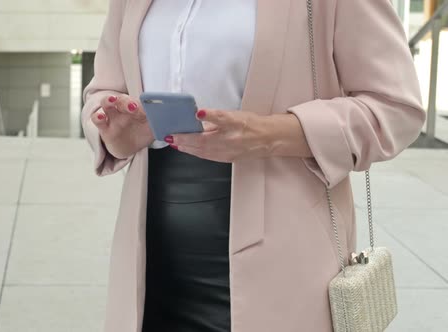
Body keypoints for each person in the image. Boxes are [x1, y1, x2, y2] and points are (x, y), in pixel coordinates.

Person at [81, 0, 426, 331]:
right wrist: (115, 132)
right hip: (151, 259)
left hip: (283, 259)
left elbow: (395, 109)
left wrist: (267, 133)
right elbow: (104, 90)